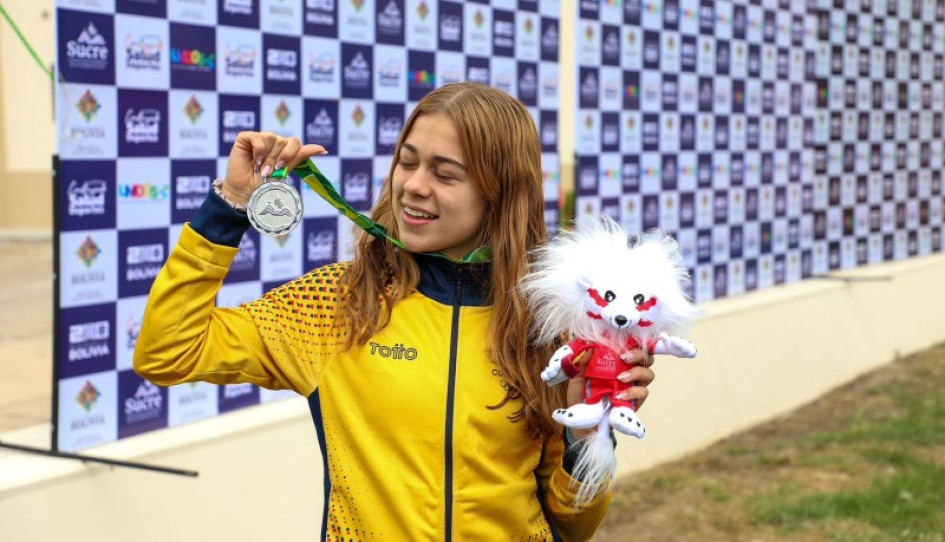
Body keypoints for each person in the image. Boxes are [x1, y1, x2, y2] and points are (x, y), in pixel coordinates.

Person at [134, 82, 657, 541]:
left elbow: (574, 525)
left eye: (445, 174)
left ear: (500, 192)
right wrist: (230, 204)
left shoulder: (548, 326)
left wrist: (587, 439)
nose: (414, 185)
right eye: (408, 162)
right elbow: (168, 350)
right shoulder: (339, 303)